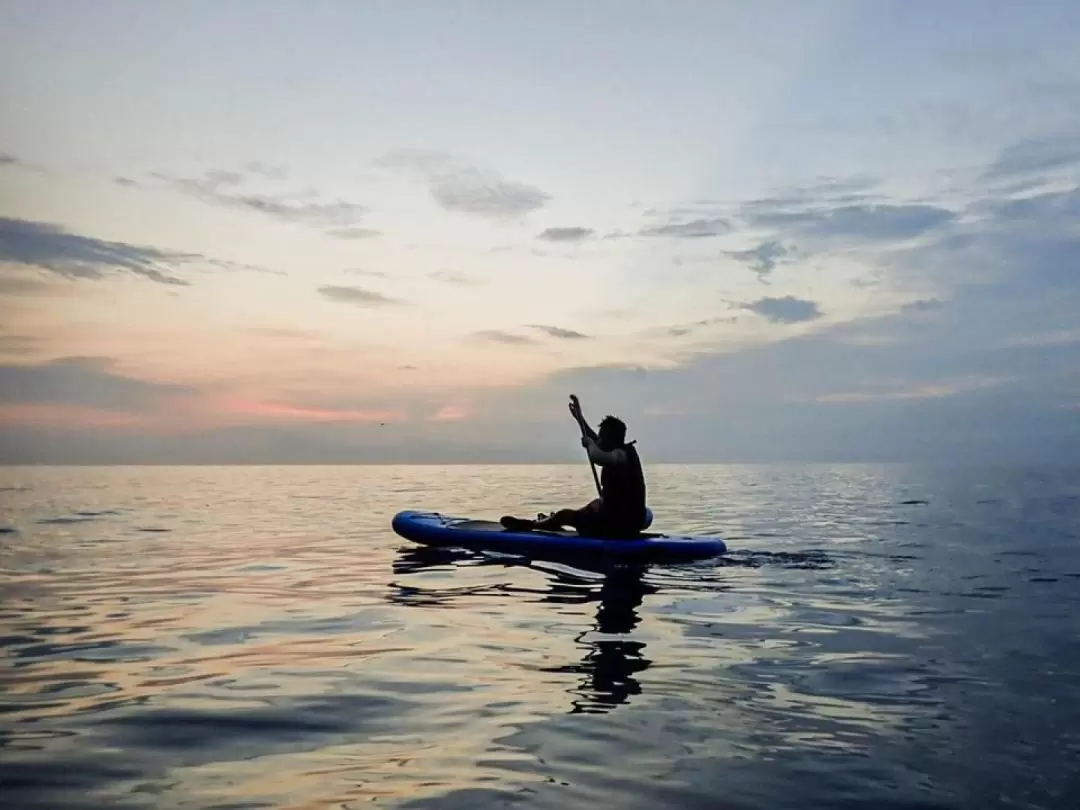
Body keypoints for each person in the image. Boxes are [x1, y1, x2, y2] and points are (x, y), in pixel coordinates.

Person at [501, 398, 648, 538]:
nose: (599, 440)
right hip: (623, 518)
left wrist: (589, 444)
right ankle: (550, 521)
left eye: (602, 437)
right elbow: (598, 441)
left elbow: (598, 457)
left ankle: (533, 524)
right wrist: (580, 419)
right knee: (590, 509)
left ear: (610, 440)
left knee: (565, 515)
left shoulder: (621, 455)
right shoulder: (616, 448)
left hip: (618, 525)